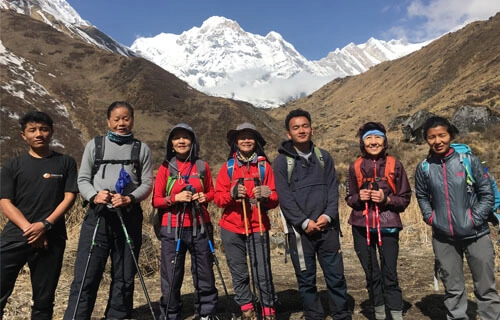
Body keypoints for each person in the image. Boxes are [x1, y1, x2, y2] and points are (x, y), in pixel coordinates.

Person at [64, 101, 153, 319]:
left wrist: (129, 198)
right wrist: (95, 196)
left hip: (129, 216)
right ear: (108, 121)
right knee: (87, 274)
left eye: (126, 118)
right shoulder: (95, 146)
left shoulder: (141, 149)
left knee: (124, 275)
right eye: (116, 119)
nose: (121, 123)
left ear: (132, 120)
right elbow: (83, 179)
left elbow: (147, 183)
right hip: (98, 217)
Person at [415, 116, 500, 319]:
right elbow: (421, 195)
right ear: (426, 139)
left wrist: (474, 219)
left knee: (486, 288)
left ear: (450, 135)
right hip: (443, 237)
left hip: (477, 234)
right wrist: (431, 218)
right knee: (453, 289)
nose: (438, 141)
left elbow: (487, 193)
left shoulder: (469, 161)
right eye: (432, 137)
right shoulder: (424, 168)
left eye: (442, 135)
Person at [273, 109, 351, 320]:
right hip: (300, 233)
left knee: (336, 277)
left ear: (312, 129)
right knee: (306, 280)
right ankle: (314, 315)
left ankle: (342, 315)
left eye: (305, 126)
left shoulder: (324, 157)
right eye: (296, 127)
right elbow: (285, 198)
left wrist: (327, 216)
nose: (301, 130)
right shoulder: (281, 162)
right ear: (288, 134)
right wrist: (304, 222)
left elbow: (333, 190)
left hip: (328, 229)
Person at [0, 111, 78, 319]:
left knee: (44, 300)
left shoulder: (65, 163)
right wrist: (29, 228)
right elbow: (5, 202)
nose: (39, 134)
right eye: (32, 130)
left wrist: (45, 225)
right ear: (23, 135)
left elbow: (69, 197)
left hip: (52, 237)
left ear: (51, 132)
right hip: (16, 236)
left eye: (43, 129)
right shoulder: (12, 165)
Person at [345, 122, 411, 320]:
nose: (373, 142)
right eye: (368, 138)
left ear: (385, 140)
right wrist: (360, 198)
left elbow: (405, 198)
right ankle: (380, 313)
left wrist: (387, 199)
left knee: (389, 273)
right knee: (372, 273)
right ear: (362, 143)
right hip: (361, 226)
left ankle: (396, 314)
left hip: (388, 225)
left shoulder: (395, 165)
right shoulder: (355, 167)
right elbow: (350, 198)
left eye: (377, 137)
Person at [152, 123, 218, 320]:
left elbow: (212, 192)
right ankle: (171, 314)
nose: (181, 141)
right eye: (177, 138)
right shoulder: (165, 167)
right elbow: (156, 200)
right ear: (171, 143)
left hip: (200, 227)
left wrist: (204, 197)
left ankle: (206, 312)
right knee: (171, 275)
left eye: (186, 137)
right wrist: (175, 198)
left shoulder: (202, 166)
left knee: (204, 272)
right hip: (172, 228)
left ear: (193, 142)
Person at [214, 123, 279, 320]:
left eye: (250, 136)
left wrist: (268, 195)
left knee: (262, 271)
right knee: (239, 271)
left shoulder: (264, 167)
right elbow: (217, 198)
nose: (246, 140)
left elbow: (275, 198)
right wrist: (232, 194)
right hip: (231, 228)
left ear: (256, 141)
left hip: (258, 225)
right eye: (242, 137)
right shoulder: (228, 168)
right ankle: (247, 309)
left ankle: (268, 310)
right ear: (235, 142)